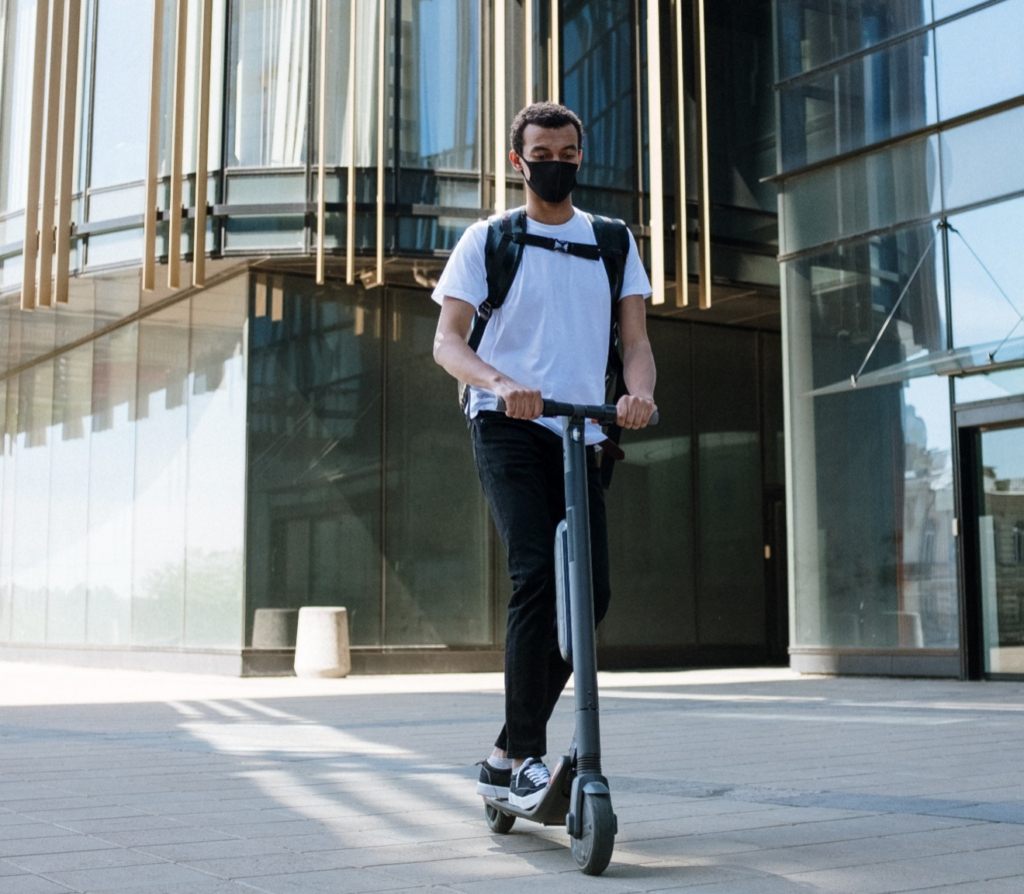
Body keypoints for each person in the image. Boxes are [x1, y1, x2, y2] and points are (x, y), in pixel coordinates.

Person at [431, 102, 657, 810]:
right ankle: (525, 752)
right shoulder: (490, 239)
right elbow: (447, 341)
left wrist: (640, 395)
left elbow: (636, 343)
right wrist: (501, 384)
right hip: (508, 425)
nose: (555, 162)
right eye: (542, 151)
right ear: (517, 160)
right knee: (537, 573)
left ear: (579, 158)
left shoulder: (614, 242)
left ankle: (504, 754)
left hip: (581, 430)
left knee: (591, 593)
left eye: (568, 151)